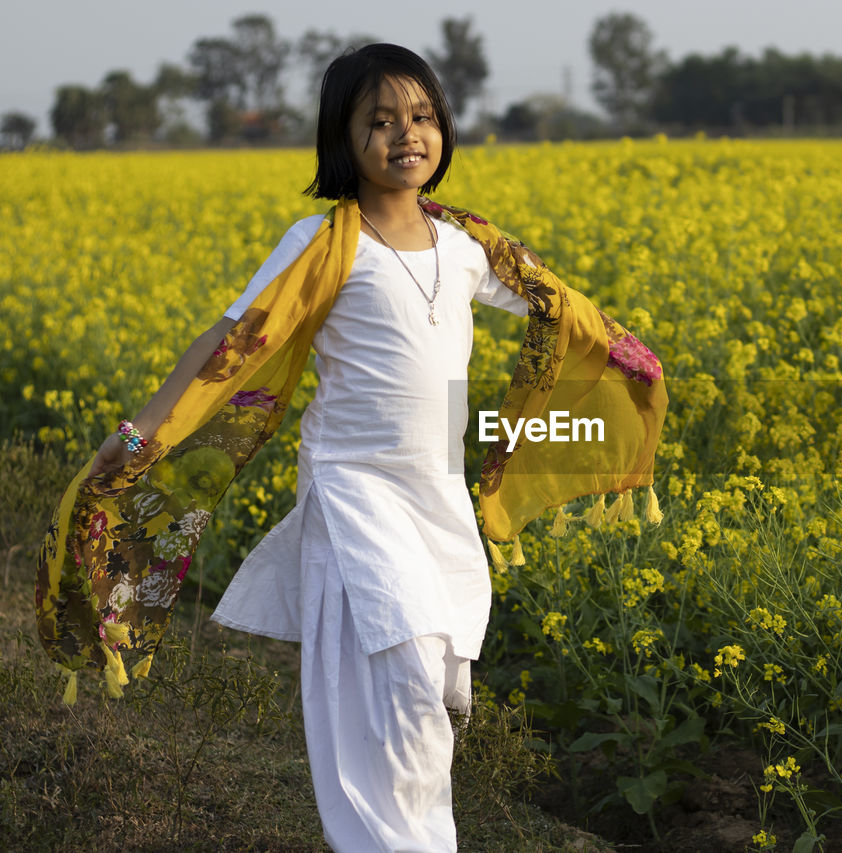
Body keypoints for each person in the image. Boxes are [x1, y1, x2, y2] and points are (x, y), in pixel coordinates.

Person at [73, 43, 664, 853]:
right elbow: (231, 340)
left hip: (437, 497)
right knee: (402, 682)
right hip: (356, 492)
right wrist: (141, 431)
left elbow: (553, 305)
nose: (405, 135)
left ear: (444, 129)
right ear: (341, 139)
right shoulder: (323, 243)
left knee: (433, 691)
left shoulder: (464, 246)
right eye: (379, 121)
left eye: (421, 117)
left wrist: (625, 354)